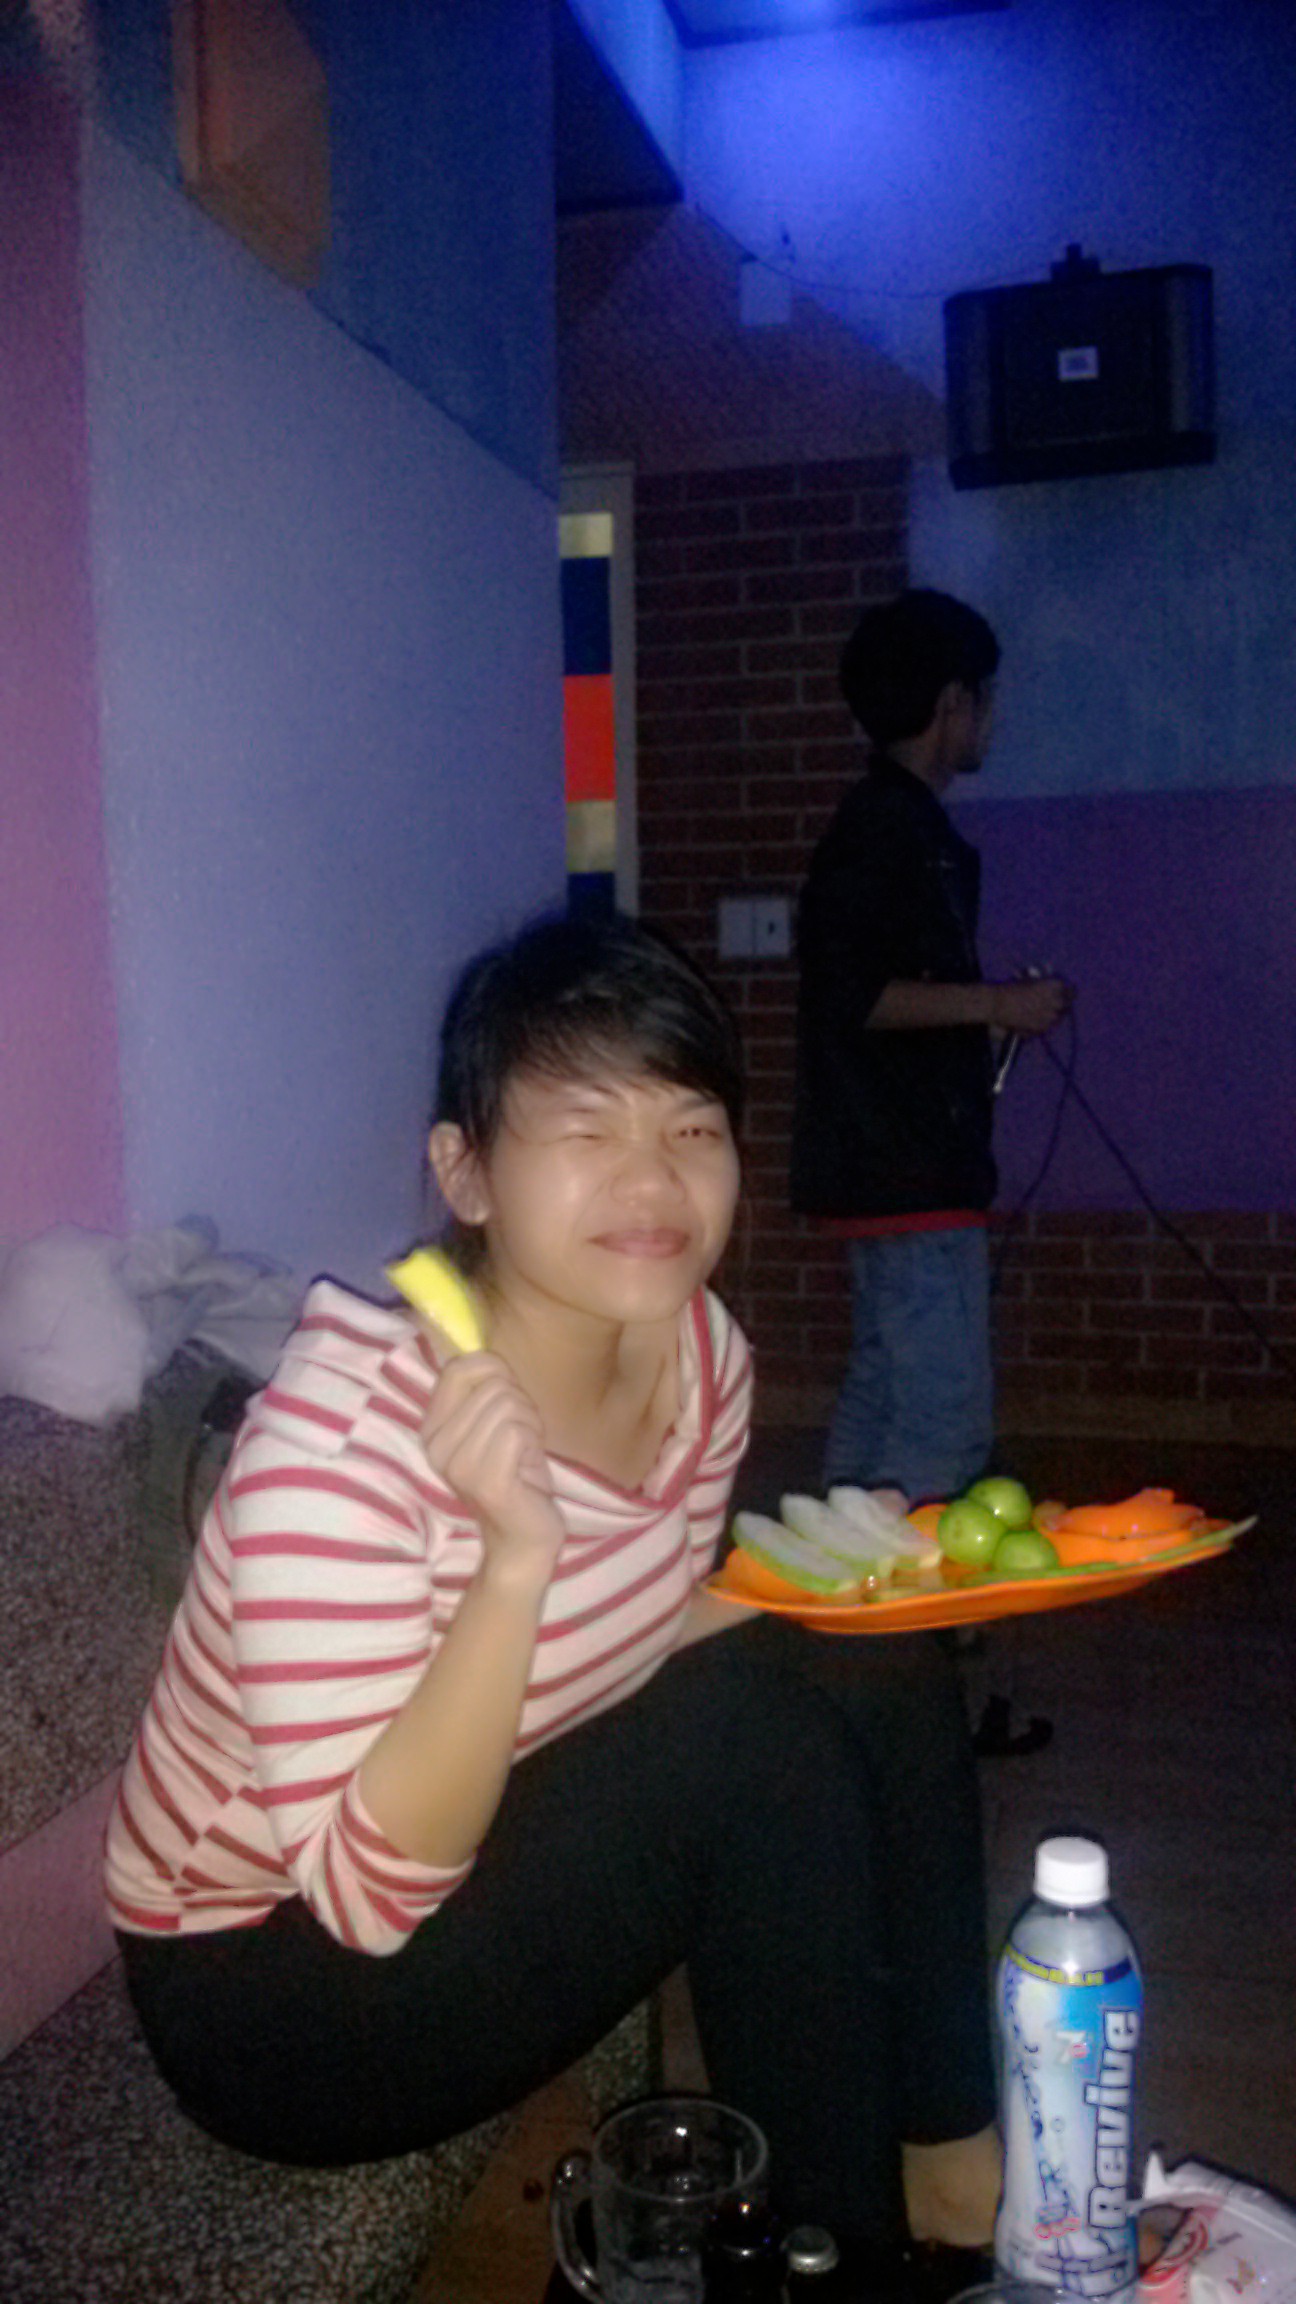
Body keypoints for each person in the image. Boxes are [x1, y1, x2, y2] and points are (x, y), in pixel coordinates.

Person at [105, 911, 999, 2277]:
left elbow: (638, 1635)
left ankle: (960, 2187)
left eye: (692, 1128)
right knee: (746, 1755)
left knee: (873, 1656)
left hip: (488, 1814)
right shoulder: (344, 1447)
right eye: (587, 1128)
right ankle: (833, 2264)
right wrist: (513, 1562)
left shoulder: (699, 1353)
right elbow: (363, 1897)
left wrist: (851, 1580)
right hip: (271, 1984)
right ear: (464, 1173)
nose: (654, 1179)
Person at [791, 589, 1073, 1503]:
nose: (989, 719)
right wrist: (998, 1002)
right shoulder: (888, 833)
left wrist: (989, 1015)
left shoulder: (891, 824)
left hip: (889, 1163)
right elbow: (855, 997)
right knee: (944, 1417)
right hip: (904, 1167)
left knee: (884, 1384)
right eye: (984, 699)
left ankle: (840, 1557)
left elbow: (874, 996)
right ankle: (915, 1572)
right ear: (952, 702)